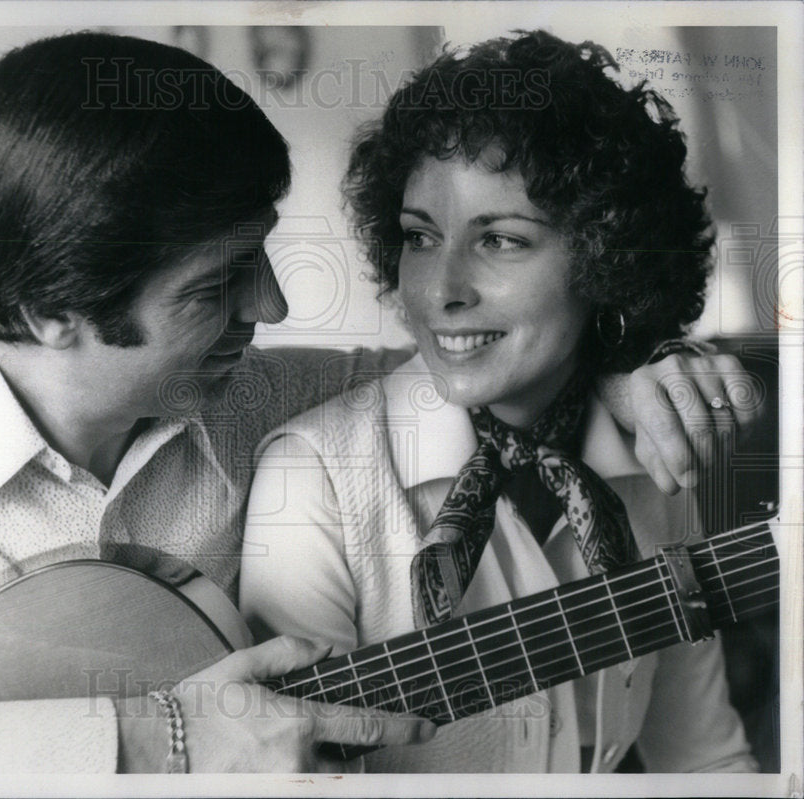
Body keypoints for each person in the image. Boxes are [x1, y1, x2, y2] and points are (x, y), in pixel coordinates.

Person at [0, 31, 755, 776]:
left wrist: (634, 365)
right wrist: (153, 737)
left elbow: (466, 358)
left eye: (263, 258)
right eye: (216, 285)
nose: (271, 308)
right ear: (51, 310)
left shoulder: (259, 395)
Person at [240, 30, 759, 773]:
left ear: (607, 260)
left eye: (502, 241)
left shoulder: (652, 453)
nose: (441, 290)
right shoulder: (314, 479)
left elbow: (705, 760)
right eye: (421, 237)